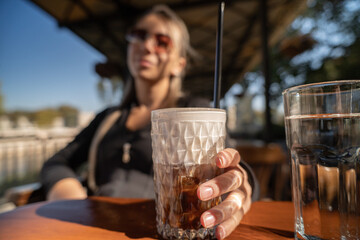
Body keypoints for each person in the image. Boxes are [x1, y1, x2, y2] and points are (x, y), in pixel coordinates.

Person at [40, 5, 257, 240]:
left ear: (178, 64)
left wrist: (240, 184)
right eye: (138, 35)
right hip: (97, 230)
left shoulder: (196, 111)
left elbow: (233, 166)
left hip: (158, 232)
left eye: (162, 41)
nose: (146, 45)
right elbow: (57, 163)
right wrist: (73, 197)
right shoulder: (108, 117)